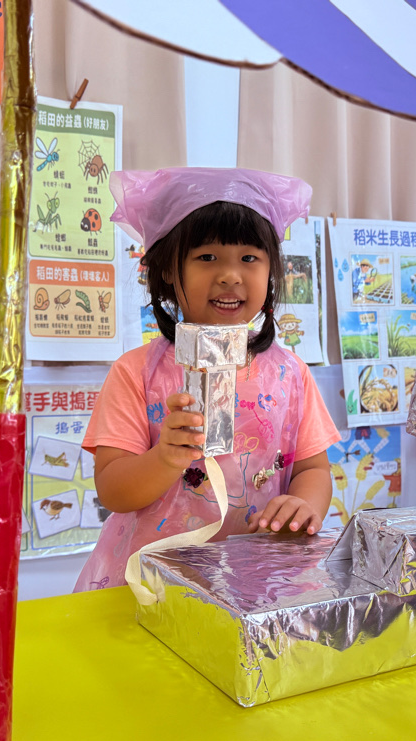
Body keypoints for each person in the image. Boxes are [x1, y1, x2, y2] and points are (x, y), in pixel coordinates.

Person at [74, 168, 340, 592]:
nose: (230, 275)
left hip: (257, 580)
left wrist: (303, 504)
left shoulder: (290, 373)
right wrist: (165, 458)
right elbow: (112, 490)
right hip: (154, 582)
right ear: (166, 269)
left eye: (249, 258)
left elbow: (313, 468)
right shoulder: (135, 372)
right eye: (207, 257)